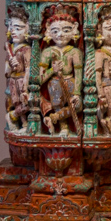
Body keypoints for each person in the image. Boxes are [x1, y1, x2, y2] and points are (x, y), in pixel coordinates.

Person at [39, 8, 82, 136]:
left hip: (70, 82)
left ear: (74, 30)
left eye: (66, 30)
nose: (60, 35)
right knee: (57, 104)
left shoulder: (75, 52)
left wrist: (77, 93)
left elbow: (78, 74)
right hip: (54, 84)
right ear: (48, 32)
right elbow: (40, 79)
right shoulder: (47, 52)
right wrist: (53, 70)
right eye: (55, 31)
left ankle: (53, 118)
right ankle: (64, 128)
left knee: (78, 106)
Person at [4, 7, 31, 132]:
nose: (13, 31)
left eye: (18, 28)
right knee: (17, 103)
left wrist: (25, 87)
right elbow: (7, 72)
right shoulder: (11, 50)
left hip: (22, 80)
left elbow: (29, 68)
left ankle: (12, 117)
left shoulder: (26, 50)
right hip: (13, 81)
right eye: (12, 27)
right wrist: (10, 64)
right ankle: (23, 123)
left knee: (27, 103)